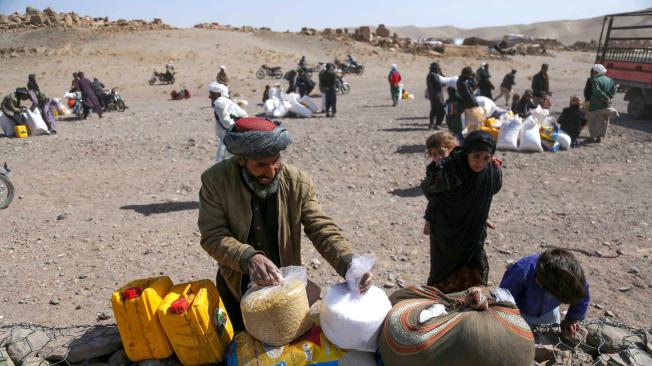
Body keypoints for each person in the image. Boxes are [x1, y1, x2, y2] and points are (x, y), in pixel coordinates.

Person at [198, 117, 374, 332]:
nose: (271, 171)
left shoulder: (297, 182)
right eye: (261, 164)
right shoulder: (215, 182)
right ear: (241, 160)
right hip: (237, 284)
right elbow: (213, 235)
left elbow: (321, 228)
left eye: (275, 160)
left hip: (288, 290)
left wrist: (350, 265)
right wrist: (248, 257)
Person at [420, 130, 502, 293]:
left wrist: (480, 215)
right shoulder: (451, 169)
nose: (480, 162)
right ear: (467, 154)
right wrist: (430, 219)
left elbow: (486, 195)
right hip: (446, 230)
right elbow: (431, 191)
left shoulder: (492, 172)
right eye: (476, 156)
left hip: (473, 229)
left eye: (485, 157)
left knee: (472, 266)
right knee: (444, 268)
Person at [500, 248, 590, 339]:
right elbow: (503, 302)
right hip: (520, 314)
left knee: (550, 340)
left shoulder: (574, 278)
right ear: (539, 283)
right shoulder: (521, 271)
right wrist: (513, 324)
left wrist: (572, 319)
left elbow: (582, 296)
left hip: (549, 313)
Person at [420, 131, 459, 236]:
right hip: (443, 198)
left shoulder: (459, 161)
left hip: (460, 197)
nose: (438, 157)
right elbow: (431, 188)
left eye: (441, 153)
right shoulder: (432, 167)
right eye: (434, 155)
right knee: (434, 200)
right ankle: (429, 220)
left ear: (452, 149)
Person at [209, 81, 248, 163]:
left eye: (211, 94)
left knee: (224, 161)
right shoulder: (226, 101)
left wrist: (234, 130)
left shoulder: (219, 102)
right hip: (232, 135)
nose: (209, 96)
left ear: (218, 94)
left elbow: (226, 122)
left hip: (229, 136)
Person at [587, 64, 616, 143]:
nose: (593, 73)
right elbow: (614, 90)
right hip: (606, 104)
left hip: (596, 104)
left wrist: (605, 97)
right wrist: (608, 97)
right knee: (604, 121)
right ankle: (599, 137)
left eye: (594, 72)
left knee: (593, 121)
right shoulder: (610, 80)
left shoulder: (595, 80)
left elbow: (597, 91)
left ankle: (593, 137)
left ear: (597, 72)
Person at [426, 62, 446, 130]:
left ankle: (431, 124)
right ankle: (437, 124)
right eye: (438, 68)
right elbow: (439, 84)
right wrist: (444, 84)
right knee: (442, 110)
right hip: (437, 95)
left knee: (433, 110)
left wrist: (440, 73)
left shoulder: (429, 75)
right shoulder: (434, 75)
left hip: (432, 95)